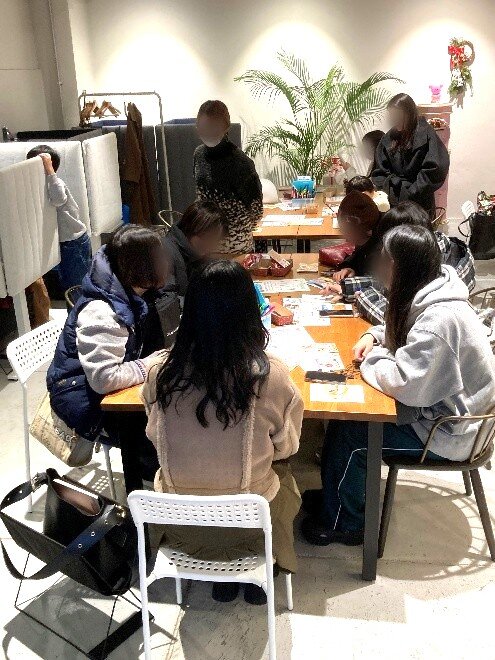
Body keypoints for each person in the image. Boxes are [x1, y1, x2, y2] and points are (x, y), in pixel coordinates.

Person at [302, 225, 495, 546]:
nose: (379, 266)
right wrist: (373, 334)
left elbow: (406, 385)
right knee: (342, 421)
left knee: (353, 434)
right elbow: (405, 325)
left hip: (449, 431)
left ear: (399, 266)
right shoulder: (434, 287)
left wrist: (373, 358)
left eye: (384, 260)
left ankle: (346, 524)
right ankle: (337, 496)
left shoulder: (439, 321)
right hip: (443, 410)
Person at [142, 260, 304, 604]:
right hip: (250, 527)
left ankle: (222, 578)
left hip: (180, 527)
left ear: (189, 312)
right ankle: (263, 567)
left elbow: (156, 437)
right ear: (251, 312)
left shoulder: (160, 373)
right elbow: (287, 447)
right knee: (287, 478)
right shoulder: (270, 376)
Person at [47, 225, 168, 450]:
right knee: (165, 431)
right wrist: (149, 365)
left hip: (102, 391)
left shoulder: (132, 292)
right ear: (141, 266)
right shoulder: (102, 313)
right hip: (86, 404)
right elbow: (104, 379)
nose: (166, 262)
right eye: (159, 257)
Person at [355, 201, 476, 324]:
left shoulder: (444, 271)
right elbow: (388, 285)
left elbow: (402, 322)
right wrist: (350, 286)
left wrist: (364, 296)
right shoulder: (428, 251)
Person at [141, 200, 228, 352]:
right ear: (195, 230)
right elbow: (166, 316)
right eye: (210, 239)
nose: (211, 246)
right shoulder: (166, 254)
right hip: (159, 342)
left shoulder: (191, 253)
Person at [193, 100, 263, 254]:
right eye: (204, 128)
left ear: (226, 127)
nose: (208, 132)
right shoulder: (199, 155)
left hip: (236, 244)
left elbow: (256, 209)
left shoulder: (241, 162)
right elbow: (200, 198)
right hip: (206, 240)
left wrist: (237, 231)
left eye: (213, 127)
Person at [26, 145, 91, 290]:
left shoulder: (56, 183)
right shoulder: (39, 185)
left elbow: (58, 199)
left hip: (73, 240)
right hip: (62, 241)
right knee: (67, 283)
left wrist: (50, 171)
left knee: (77, 284)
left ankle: (82, 305)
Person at [371, 94, 449, 214]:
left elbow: (435, 168)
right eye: (392, 115)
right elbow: (379, 170)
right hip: (394, 200)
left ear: (409, 113)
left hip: (420, 201)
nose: (395, 119)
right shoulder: (389, 137)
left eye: (398, 115)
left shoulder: (426, 133)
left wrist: (411, 191)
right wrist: (389, 190)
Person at [330, 191, 382, 283]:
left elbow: (382, 282)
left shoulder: (385, 239)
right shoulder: (365, 229)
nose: (347, 238)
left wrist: (349, 287)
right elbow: (358, 255)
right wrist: (349, 268)